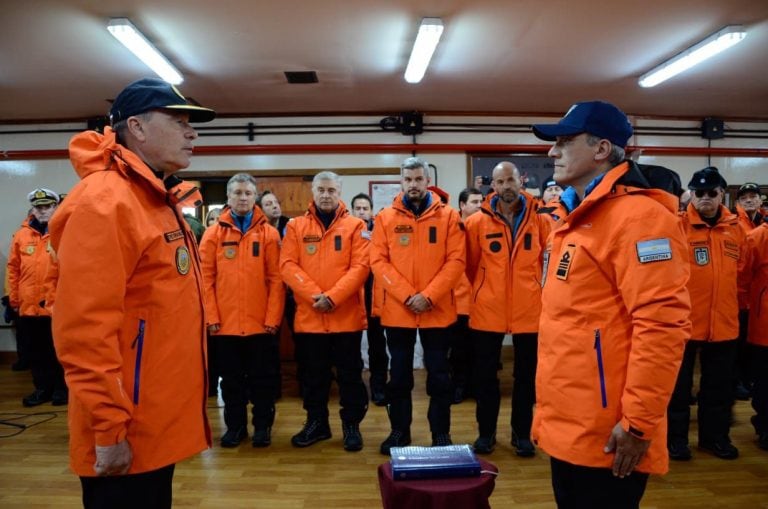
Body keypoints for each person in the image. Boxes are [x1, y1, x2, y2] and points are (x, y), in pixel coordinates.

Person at [49, 77, 215, 509]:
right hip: (126, 425)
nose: (192, 132)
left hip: (153, 421)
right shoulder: (105, 201)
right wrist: (108, 429)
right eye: (179, 121)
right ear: (136, 128)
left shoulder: (153, 198)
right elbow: (84, 331)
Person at [531, 101, 691, 508]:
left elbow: (662, 326)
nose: (552, 152)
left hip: (608, 431)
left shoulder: (640, 219)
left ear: (602, 149)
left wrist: (638, 423)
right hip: (570, 422)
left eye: (564, 142)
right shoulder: (573, 218)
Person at [370, 157, 466, 454]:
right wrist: (408, 295)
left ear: (428, 181)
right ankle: (399, 432)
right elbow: (378, 261)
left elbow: (456, 261)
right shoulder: (385, 218)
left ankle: (440, 434)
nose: (413, 184)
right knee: (398, 376)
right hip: (398, 312)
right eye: (408, 180)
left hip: (436, 311)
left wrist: (429, 295)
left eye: (418, 179)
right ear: (402, 182)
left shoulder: (449, 216)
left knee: (439, 376)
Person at [279, 171, 370, 452]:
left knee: (350, 376)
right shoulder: (295, 227)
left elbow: (361, 267)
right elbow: (287, 265)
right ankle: (317, 423)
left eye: (331, 189)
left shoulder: (356, 226)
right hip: (310, 317)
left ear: (340, 191)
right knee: (313, 376)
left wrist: (333, 297)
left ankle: (351, 425)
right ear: (313, 192)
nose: (326, 194)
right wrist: (313, 295)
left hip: (346, 317)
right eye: (321, 189)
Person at [464, 164, 550, 456]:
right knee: (485, 378)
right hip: (488, 311)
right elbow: (471, 266)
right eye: (500, 181)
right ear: (494, 186)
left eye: (510, 179)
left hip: (531, 311)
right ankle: (485, 434)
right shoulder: (476, 222)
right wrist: (486, 290)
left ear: (521, 180)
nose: (506, 186)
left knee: (526, 379)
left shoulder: (541, 221)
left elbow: (546, 265)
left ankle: (521, 434)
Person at [666, 167, 746, 461]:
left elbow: (743, 275)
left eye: (712, 193)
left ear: (722, 194)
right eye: (699, 193)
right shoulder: (675, 226)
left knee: (719, 389)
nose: (705, 199)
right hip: (684, 324)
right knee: (678, 388)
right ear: (691, 194)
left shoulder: (736, 229)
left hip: (724, 324)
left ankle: (715, 439)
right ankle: (675, 440)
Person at [200, 173, 284, 448]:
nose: (243, 198)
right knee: (231, 384)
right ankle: (235, 428)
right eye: (237, 193)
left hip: (262, 325)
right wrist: (211, 318)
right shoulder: (212, 235)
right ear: (228, 197)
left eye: (248, 193)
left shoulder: (269, 234)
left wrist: (273, 319)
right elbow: (205, 280)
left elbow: (276, 281)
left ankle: (262, 428)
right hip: (225, 327)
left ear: (255, 196)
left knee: (263, 382)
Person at [7, 188, 67, 406]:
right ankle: (42, 389)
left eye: (48, 206)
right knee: (36, 353)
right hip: (28, 306)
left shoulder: (65, 231)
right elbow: (13, 268)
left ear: (56, 207)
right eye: (39, 207)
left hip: (57, 307)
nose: (43, 211)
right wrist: (13, 299)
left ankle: (62, 389)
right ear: (32, 209)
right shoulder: (21, 235)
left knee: (58, 351)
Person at [350, 192, 389, 406]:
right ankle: (356, 389)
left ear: (372, 211)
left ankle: (379, 387)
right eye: (358, 208)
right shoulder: (346, 230)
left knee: (377, 344)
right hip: (352, 295)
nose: (362, 211)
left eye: (365, 208)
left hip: (376, 296)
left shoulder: (380, 230)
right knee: (352, 346)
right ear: (352, 210)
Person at [449, 187, 483, 404]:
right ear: (462, 205)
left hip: (480, 300)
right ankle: (459, 386)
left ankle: (475, 386)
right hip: (457, 300)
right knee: (458, 350)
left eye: (481, 202)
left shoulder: (486, 226)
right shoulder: (453, 228)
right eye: (474, 202)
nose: (479, 206)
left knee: (479, 350)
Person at [742, 221, 768, 451]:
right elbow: (742, 276)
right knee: (765, 382)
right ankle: (765, 428)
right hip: (765, 325)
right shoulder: (758, 237)